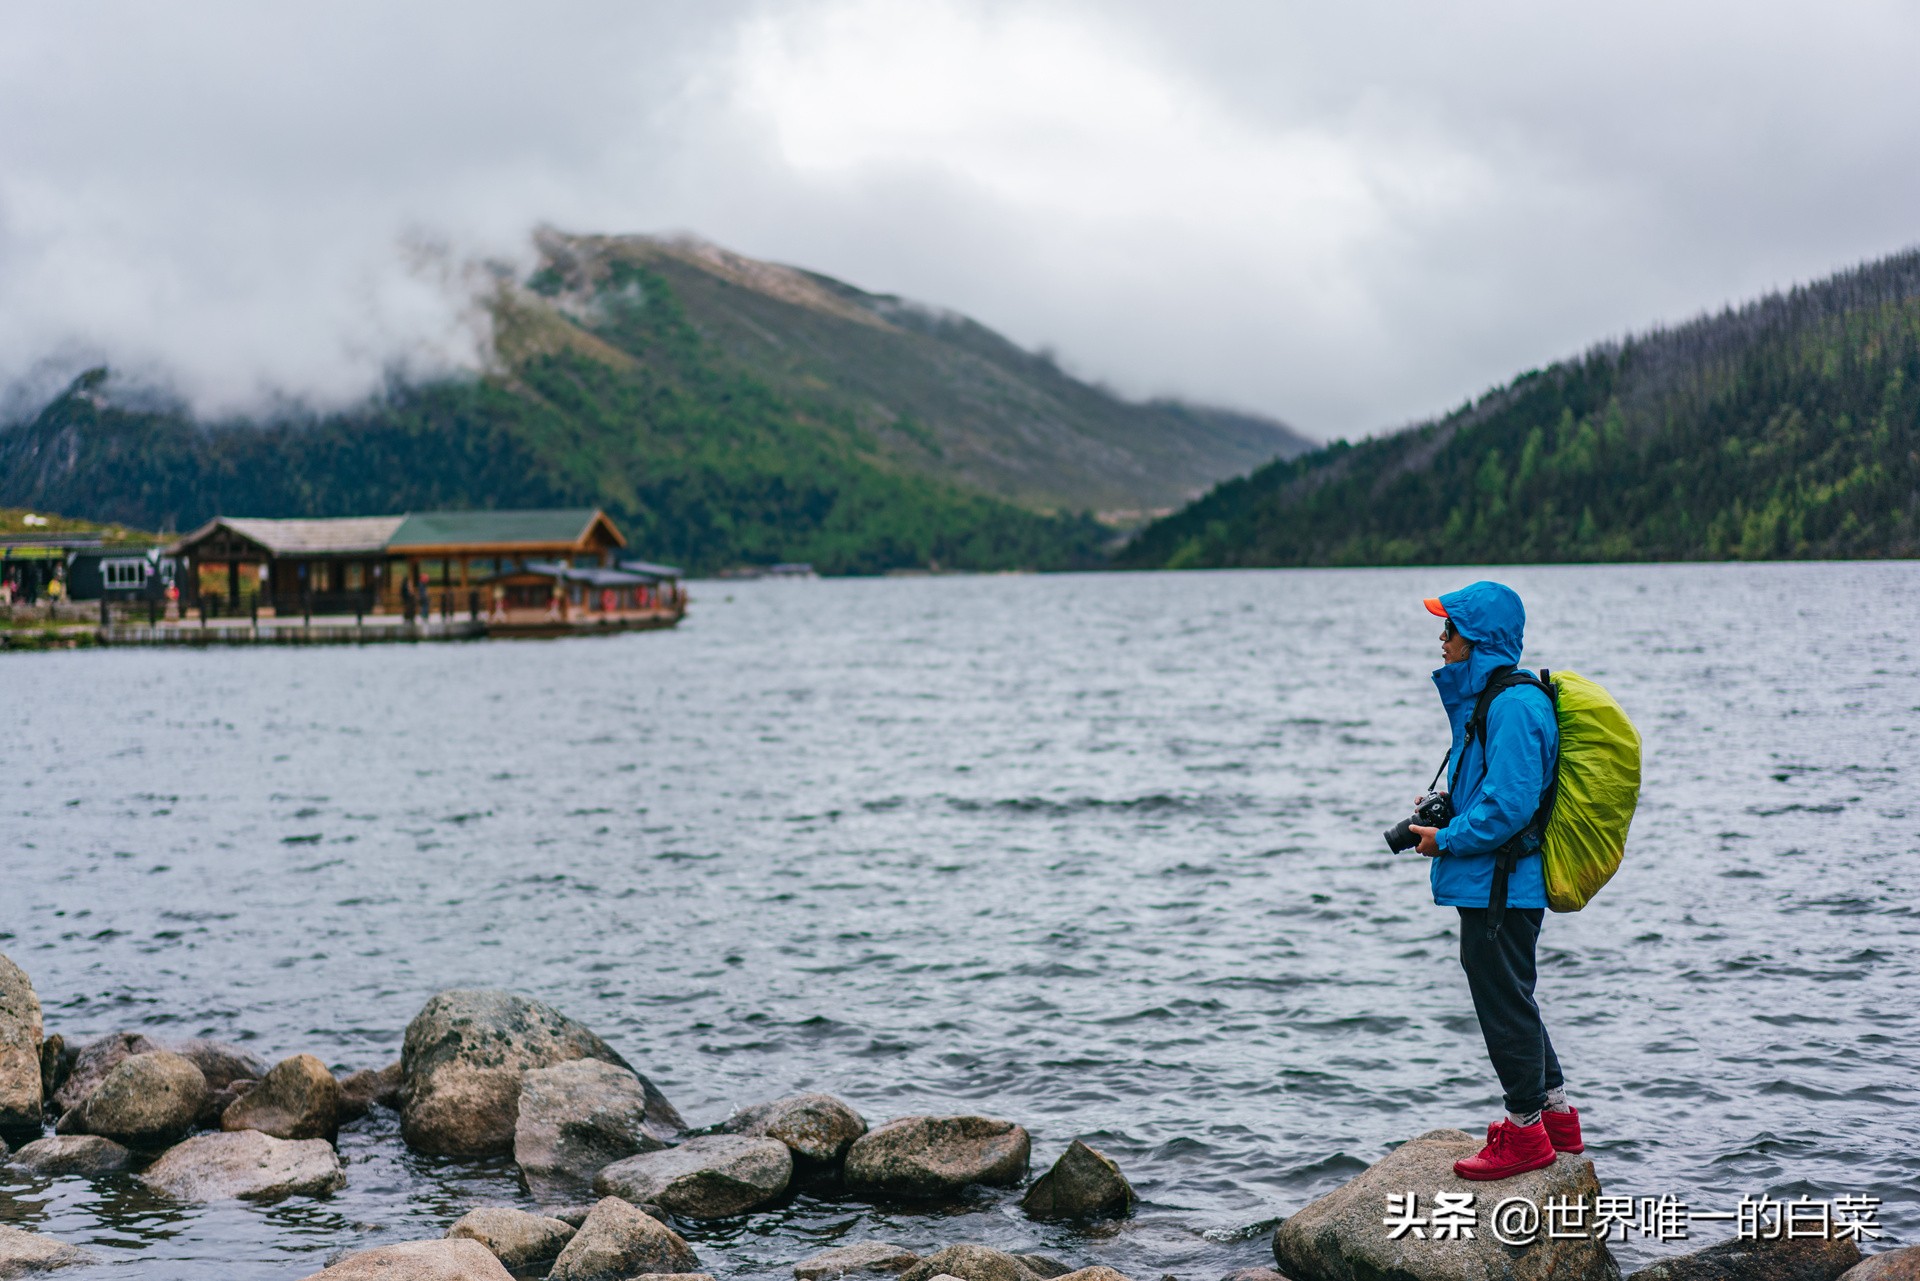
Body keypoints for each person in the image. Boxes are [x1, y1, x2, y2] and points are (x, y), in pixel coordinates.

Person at [1407, 581, 1583, 1180]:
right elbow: (1497, 793)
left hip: (1500, 884)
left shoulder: (1510, 705)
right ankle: (1556, 1115)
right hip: (1500, 880)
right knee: (1515, 995)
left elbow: (1508, 807)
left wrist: (1446, 837)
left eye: (1450, 629)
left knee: (1501, 1000)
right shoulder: (1498, 699)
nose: (1442, 639)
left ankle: (1526, 1133)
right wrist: (1450, 807)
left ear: (1477, 639)